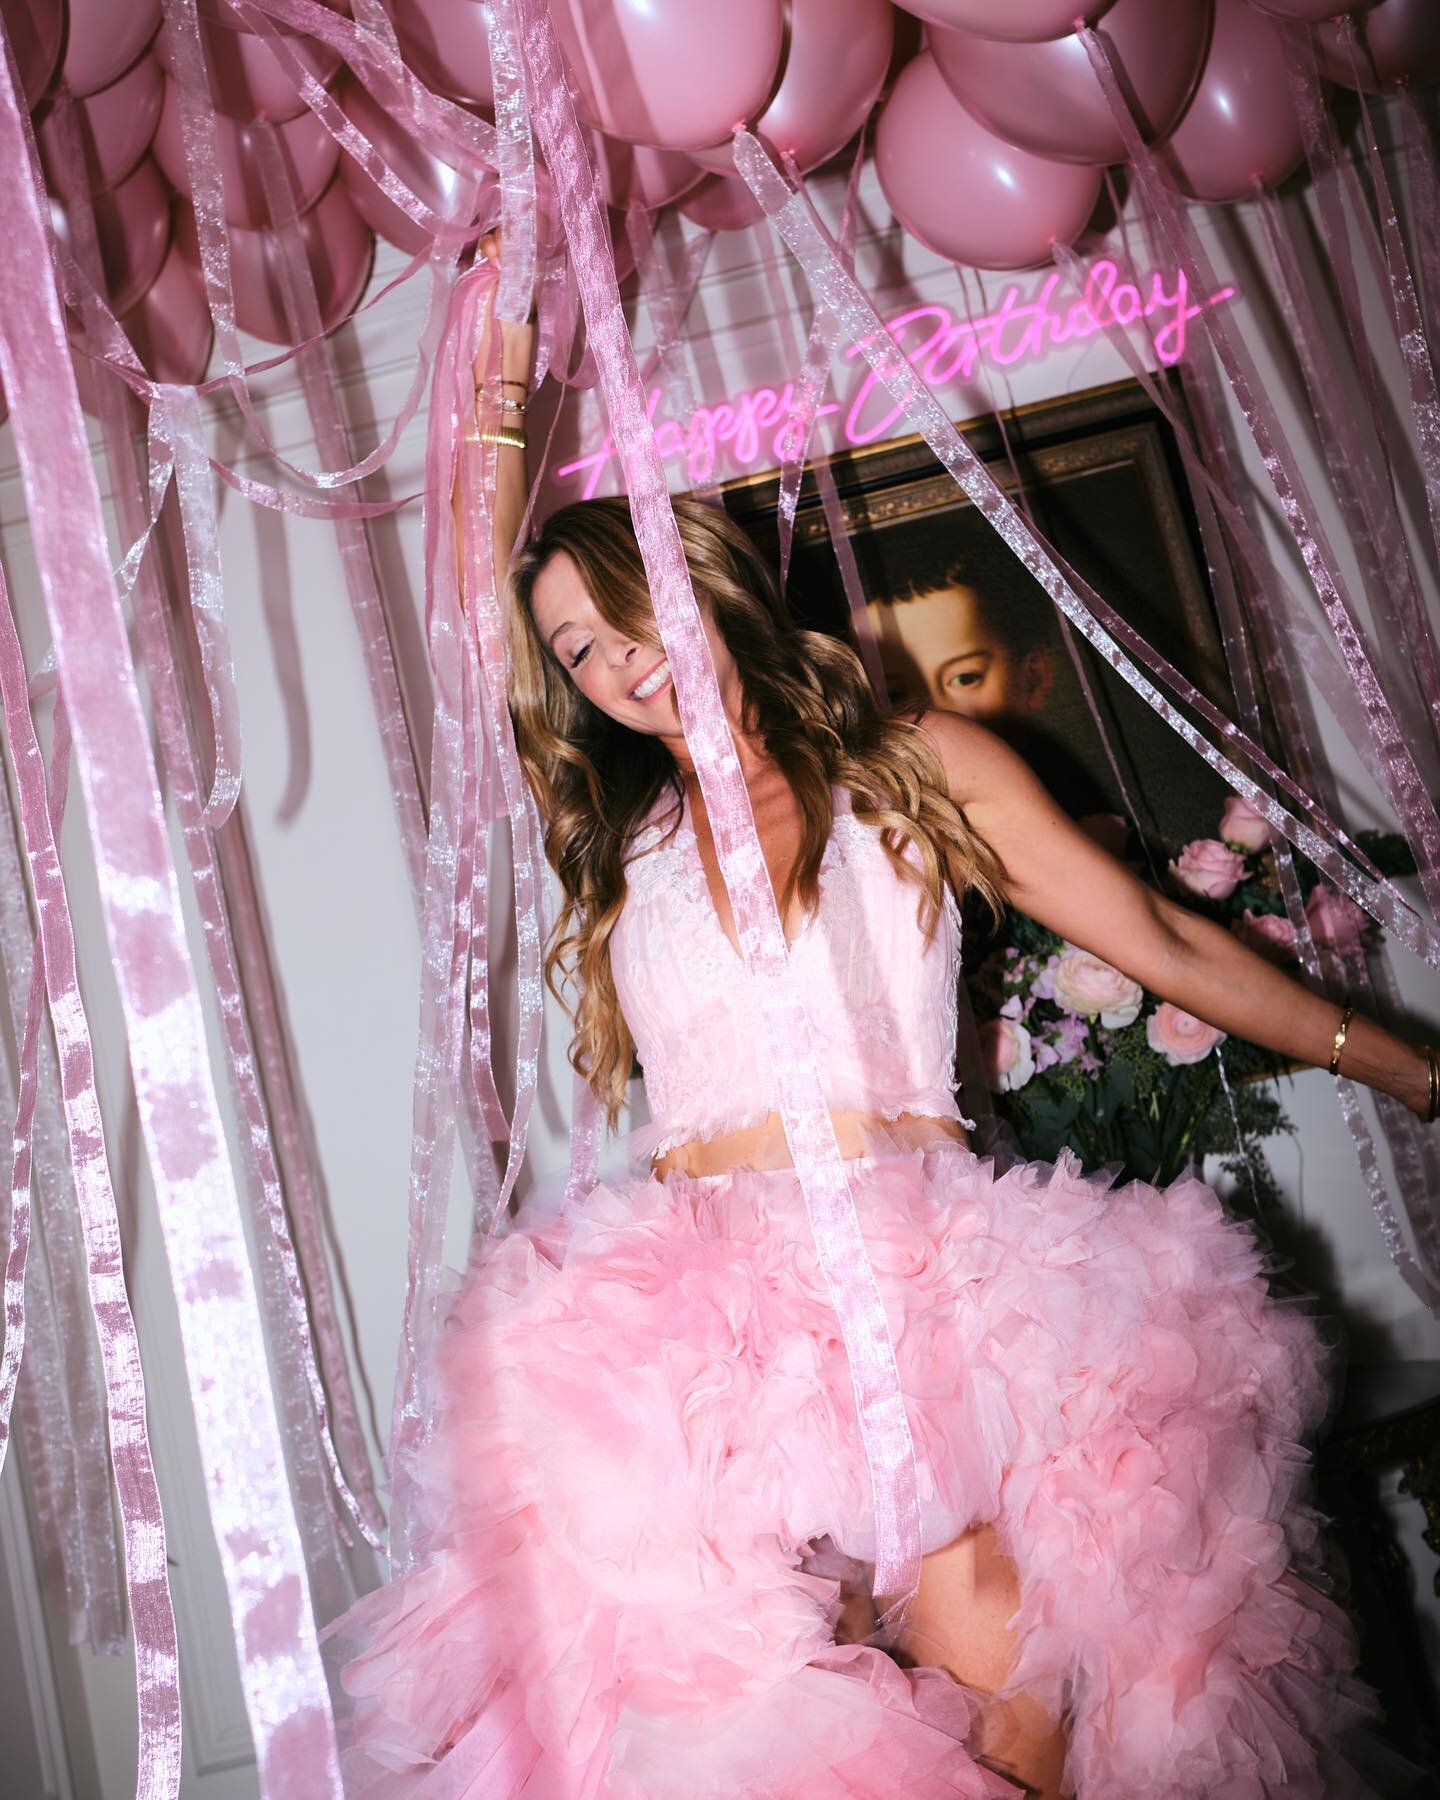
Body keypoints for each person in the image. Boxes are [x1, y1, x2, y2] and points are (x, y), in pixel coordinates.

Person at [326, 254, 1433, 1799]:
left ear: (693, 574)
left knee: (1016, 1717)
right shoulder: (622, 834)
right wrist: (504, 341)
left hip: (937, 1290)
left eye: (618, 611)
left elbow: (1165, 938)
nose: (612, 659)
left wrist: (1413, 1067)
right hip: (703, 1331)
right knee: (742, 1720)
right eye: (575, 648)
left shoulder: (920, 765)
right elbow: (464, 588)